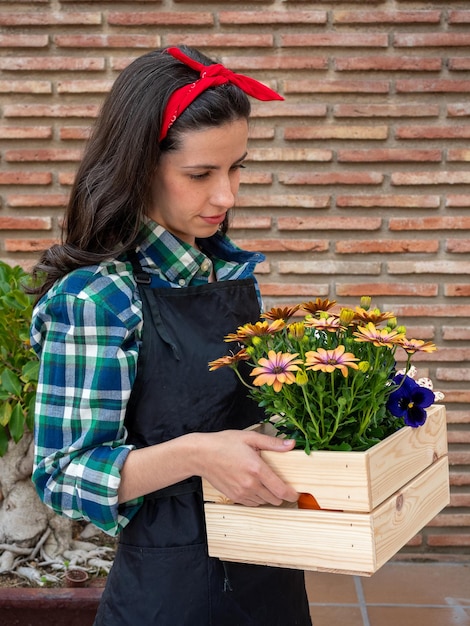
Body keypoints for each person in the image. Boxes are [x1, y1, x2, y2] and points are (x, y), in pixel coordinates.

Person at [30, 45, 312, 625]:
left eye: (236, 168)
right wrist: (198, 455)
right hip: (173, 594)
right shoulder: (97, 300)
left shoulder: (227, 273)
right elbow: (61, 474)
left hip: (268, 569)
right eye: (200, 174)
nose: (227, 196)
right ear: (139, 167)